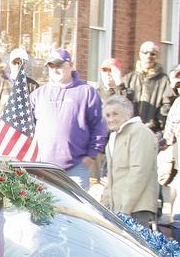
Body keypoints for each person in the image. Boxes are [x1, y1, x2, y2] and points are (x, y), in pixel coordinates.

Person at [30, 48, 107, 189]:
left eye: (59, 65)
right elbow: (27, 128)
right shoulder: (38, 95)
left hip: (76, 168)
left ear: (70, 65)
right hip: (44, 168)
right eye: (51, 66)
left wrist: (92, 155)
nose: (55, 69)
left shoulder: (86, 92)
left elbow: (98, 125)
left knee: (76, 211)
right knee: (44, 209)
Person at [100, 96, 158, 226]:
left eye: (115, 114)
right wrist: (103, 205)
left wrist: (125, 209)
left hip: (136, 208)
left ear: (128, 113)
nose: (111, 119)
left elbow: (139, 171)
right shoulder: (114, 136)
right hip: (119, 209)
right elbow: (113, 177)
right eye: (107, 115)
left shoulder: (139, 132)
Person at [120, 41, 174, 132]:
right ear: (140, 54)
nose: (148, 56)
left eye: (152, 53)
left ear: (156, 56)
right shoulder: (129, 78)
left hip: (152, 131)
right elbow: (121, 102)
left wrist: (156, 123)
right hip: (130, 130)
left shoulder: (164, 80)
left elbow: (167, 105)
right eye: (145, 52)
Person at [0, 48, 38, 140]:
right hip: (1, 134)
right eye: (15, 62)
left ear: (26, 64)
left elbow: (37, 115)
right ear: (10, 63)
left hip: (24, 136)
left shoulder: (33, 86)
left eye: (21, 62)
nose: (18, 65)